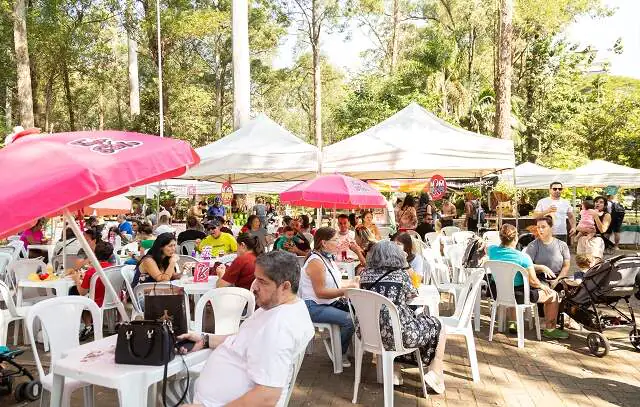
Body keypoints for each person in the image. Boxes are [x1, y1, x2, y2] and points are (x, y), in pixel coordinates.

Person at [177, 251, 314, 407]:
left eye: (262, 281)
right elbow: (245, 338)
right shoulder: (278, 307)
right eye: (255, 278)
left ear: (285, 286)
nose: (254, 286)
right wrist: (206, 340)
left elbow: (267, 397)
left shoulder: (279, 328)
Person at [359, 240, 447, 393]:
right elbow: (413, 293)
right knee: (437, 325)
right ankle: (435, 371)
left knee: (400, 323)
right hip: (399, 336)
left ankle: (395, 372)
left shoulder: (365, 275)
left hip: (369, 333)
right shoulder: (400, 276)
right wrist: (406, 266)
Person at [488, 224, 567, 339]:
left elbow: (504, 259)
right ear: (516, 239)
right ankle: (550, 329)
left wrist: (540, 266)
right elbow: (533, 281)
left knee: (510, 285)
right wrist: (543, 287)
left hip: (497, 293)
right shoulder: (523, 257)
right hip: (519, 296)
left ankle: (513, 323)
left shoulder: (492, 251)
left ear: (501, 238)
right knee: (553, 296)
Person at [299, 227, 358, 367]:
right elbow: (320, 292)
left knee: (358, 313)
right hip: (314, 306)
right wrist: (345, 291)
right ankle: (338, 350)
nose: (339, 243)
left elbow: (335, 283)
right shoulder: (316, 262)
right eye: (335, 240)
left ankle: (340, 344)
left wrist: (352, 282)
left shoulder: (327, 258)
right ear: (324, 243)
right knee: (349, 320)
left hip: (327, 303)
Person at [68, 241, 114, 340]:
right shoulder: (114, 268)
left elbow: (82, 292)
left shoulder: (92, 271)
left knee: (77, 295)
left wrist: (76, 280)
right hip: (113, 298)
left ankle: (88, 326)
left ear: (95, 254)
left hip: (96, 301)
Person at [524, 216, 571, 286]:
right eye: (538, 227)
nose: (540, 230)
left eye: (543, 227)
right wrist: (542, 267)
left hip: (559, 278)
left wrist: (557, 280)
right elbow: (527, 265)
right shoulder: (532, 245)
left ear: (551, 228)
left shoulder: (562, 245)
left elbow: (566, 266)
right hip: (540, 279)